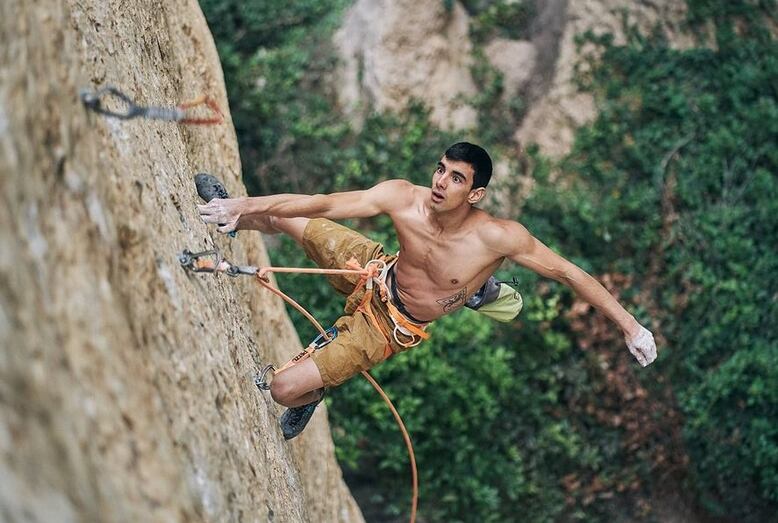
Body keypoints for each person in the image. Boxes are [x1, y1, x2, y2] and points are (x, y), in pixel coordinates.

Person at [198, 142, 657, 439]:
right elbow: (330, 202)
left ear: (475, 194)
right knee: (290, 219)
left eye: (457, 178)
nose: (441, 181)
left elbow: (570, 274)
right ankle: (232, 212)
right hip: (374, 269)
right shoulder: (405, 198)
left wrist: (631, 328)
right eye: (441, 170)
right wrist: (248, 204)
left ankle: (312, 392)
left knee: (282, 388)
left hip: (387, 327)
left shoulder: (497, 237)